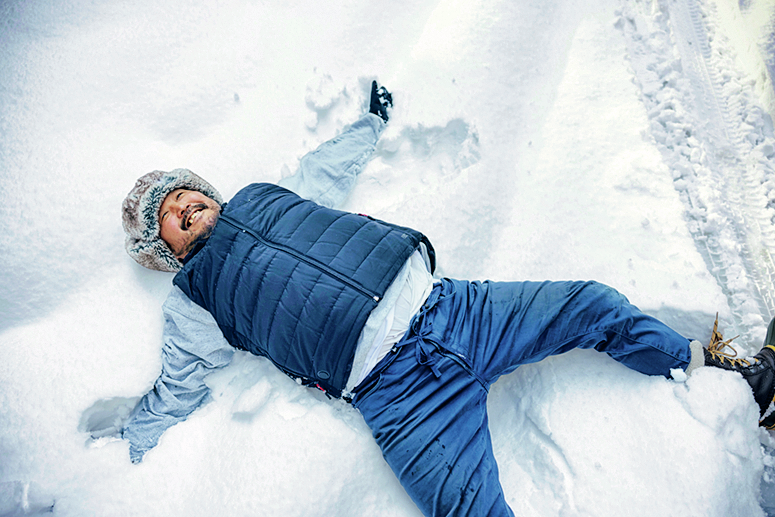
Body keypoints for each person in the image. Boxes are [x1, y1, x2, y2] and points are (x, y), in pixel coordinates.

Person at [115, 81, 775, 517]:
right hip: (396, 395)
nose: (184, 205)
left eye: (185, 192)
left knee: (586, 303)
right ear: (166, 249)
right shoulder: (193, 298)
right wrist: (130, 435)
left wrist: (370, 123)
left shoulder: (265, 194)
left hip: (454, 309)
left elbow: (324, 166)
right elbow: (178, 378)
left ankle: (723, 376)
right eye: (170, 214)